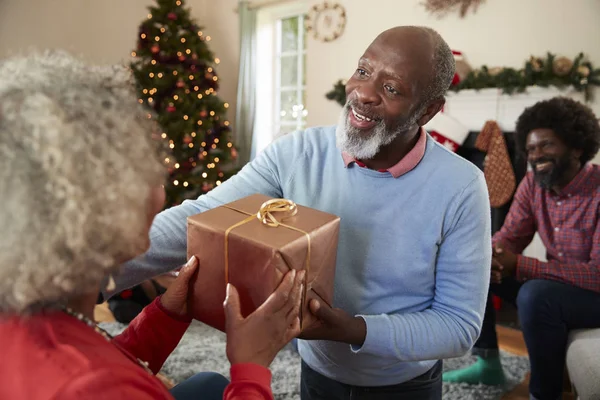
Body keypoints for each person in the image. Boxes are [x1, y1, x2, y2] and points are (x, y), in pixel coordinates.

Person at [111, 25, 492, 399]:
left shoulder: (461, 186)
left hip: (407, 386)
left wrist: (353, 329)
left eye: (390, 88)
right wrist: (92, 269)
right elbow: (204, 215)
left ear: (427, 111)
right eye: (362, 70)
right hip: (318, 374)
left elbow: (458, 325)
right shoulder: (296, 153)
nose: (362, 92)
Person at [0, 51, 304, 400]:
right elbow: (103, 380)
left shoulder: (34, 316)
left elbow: (105, 358)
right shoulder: (93, 385)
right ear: (96, 210)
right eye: (144, 168)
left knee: (207, 384)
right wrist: (251, 365)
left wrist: (165, 315)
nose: (160, 193)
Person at [442, 97, 600, 400]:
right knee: (479, 267)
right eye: (530, 149)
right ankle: (487, 363)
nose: (536, 155)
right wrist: (487, 254)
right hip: (558, 289)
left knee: (536, 295)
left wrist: (521, 265)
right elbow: (510, 237)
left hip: (594, 295)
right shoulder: (533, 184)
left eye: (547, 145)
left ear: (577, 147)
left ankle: (543, 394)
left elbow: (597, 275)